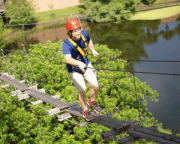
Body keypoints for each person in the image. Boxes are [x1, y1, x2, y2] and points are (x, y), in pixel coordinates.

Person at [62, 17, 101, 121]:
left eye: (78, 29)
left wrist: (93, 50)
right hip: (74, 69)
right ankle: (85, 111)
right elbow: (67, 59)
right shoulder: (66, 44)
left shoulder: (84, 34)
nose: (78, 32)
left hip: (86, 64)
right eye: (75, 31)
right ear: (70, 33)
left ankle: (91, 101)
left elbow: (89, 40)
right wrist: (78, 63)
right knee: (83, 90)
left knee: (96, 86)